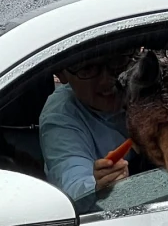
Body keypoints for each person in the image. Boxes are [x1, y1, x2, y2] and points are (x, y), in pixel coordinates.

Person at [39, 52, 135, 206]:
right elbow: (72, 181)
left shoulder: (146, 86)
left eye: (116, 61)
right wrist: (98, 186)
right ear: (61, 74)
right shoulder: (60, 117)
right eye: (87, 68)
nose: (107, 80)